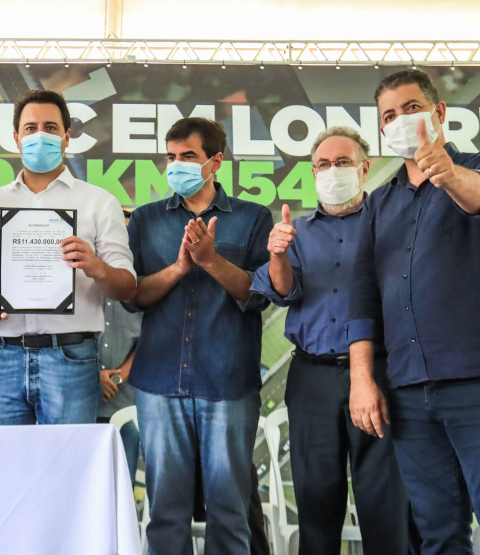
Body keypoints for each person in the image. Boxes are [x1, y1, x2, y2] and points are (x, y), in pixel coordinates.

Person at [348, 69, 480, 555]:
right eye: (389, 116)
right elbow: (362, 298)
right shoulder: (378, 203)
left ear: (438, 112)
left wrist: (448, 172)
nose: (400, 121)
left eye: (410, 109)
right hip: (409, 393)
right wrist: (363, 378)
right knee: (438, 536)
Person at [251, 127, 415, 554]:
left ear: (364, 168)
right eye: (323, 164)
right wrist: (278, 254)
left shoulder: (391, 222)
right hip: (313, 377)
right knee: (316, 501)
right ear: (312, 173)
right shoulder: (295, 230)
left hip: (381, 373)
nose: (332, 171)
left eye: (342, 162)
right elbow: (284, 292)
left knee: (385, 502)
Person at [127, 117, 272, 554]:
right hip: (159, 385)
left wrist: (211, 261)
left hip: (227, 382)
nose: (177, 166)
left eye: (188, 156)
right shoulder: (146, 220)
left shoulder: (252, 219)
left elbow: (259, 294)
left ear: (215, 162)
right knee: (165, 512)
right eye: (170, 157)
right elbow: (134, 297)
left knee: (229, 512)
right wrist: (177, 270)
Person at [0, 90, 136, 425]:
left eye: (51, 128)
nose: (40, 135)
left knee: (68, 468)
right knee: (0, 467)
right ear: (16, 138)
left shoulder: (99, 202)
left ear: (67, 137)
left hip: (70, 358)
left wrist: (96, 266)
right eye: (30, 128)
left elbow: (127, 288)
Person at [96, 210, 143, 486]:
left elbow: (153, 336)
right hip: (82, 399)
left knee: (121, 487)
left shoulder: (146, 285)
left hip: (126, 404)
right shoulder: (83, 280)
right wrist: (95, 376)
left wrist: (118, 376)